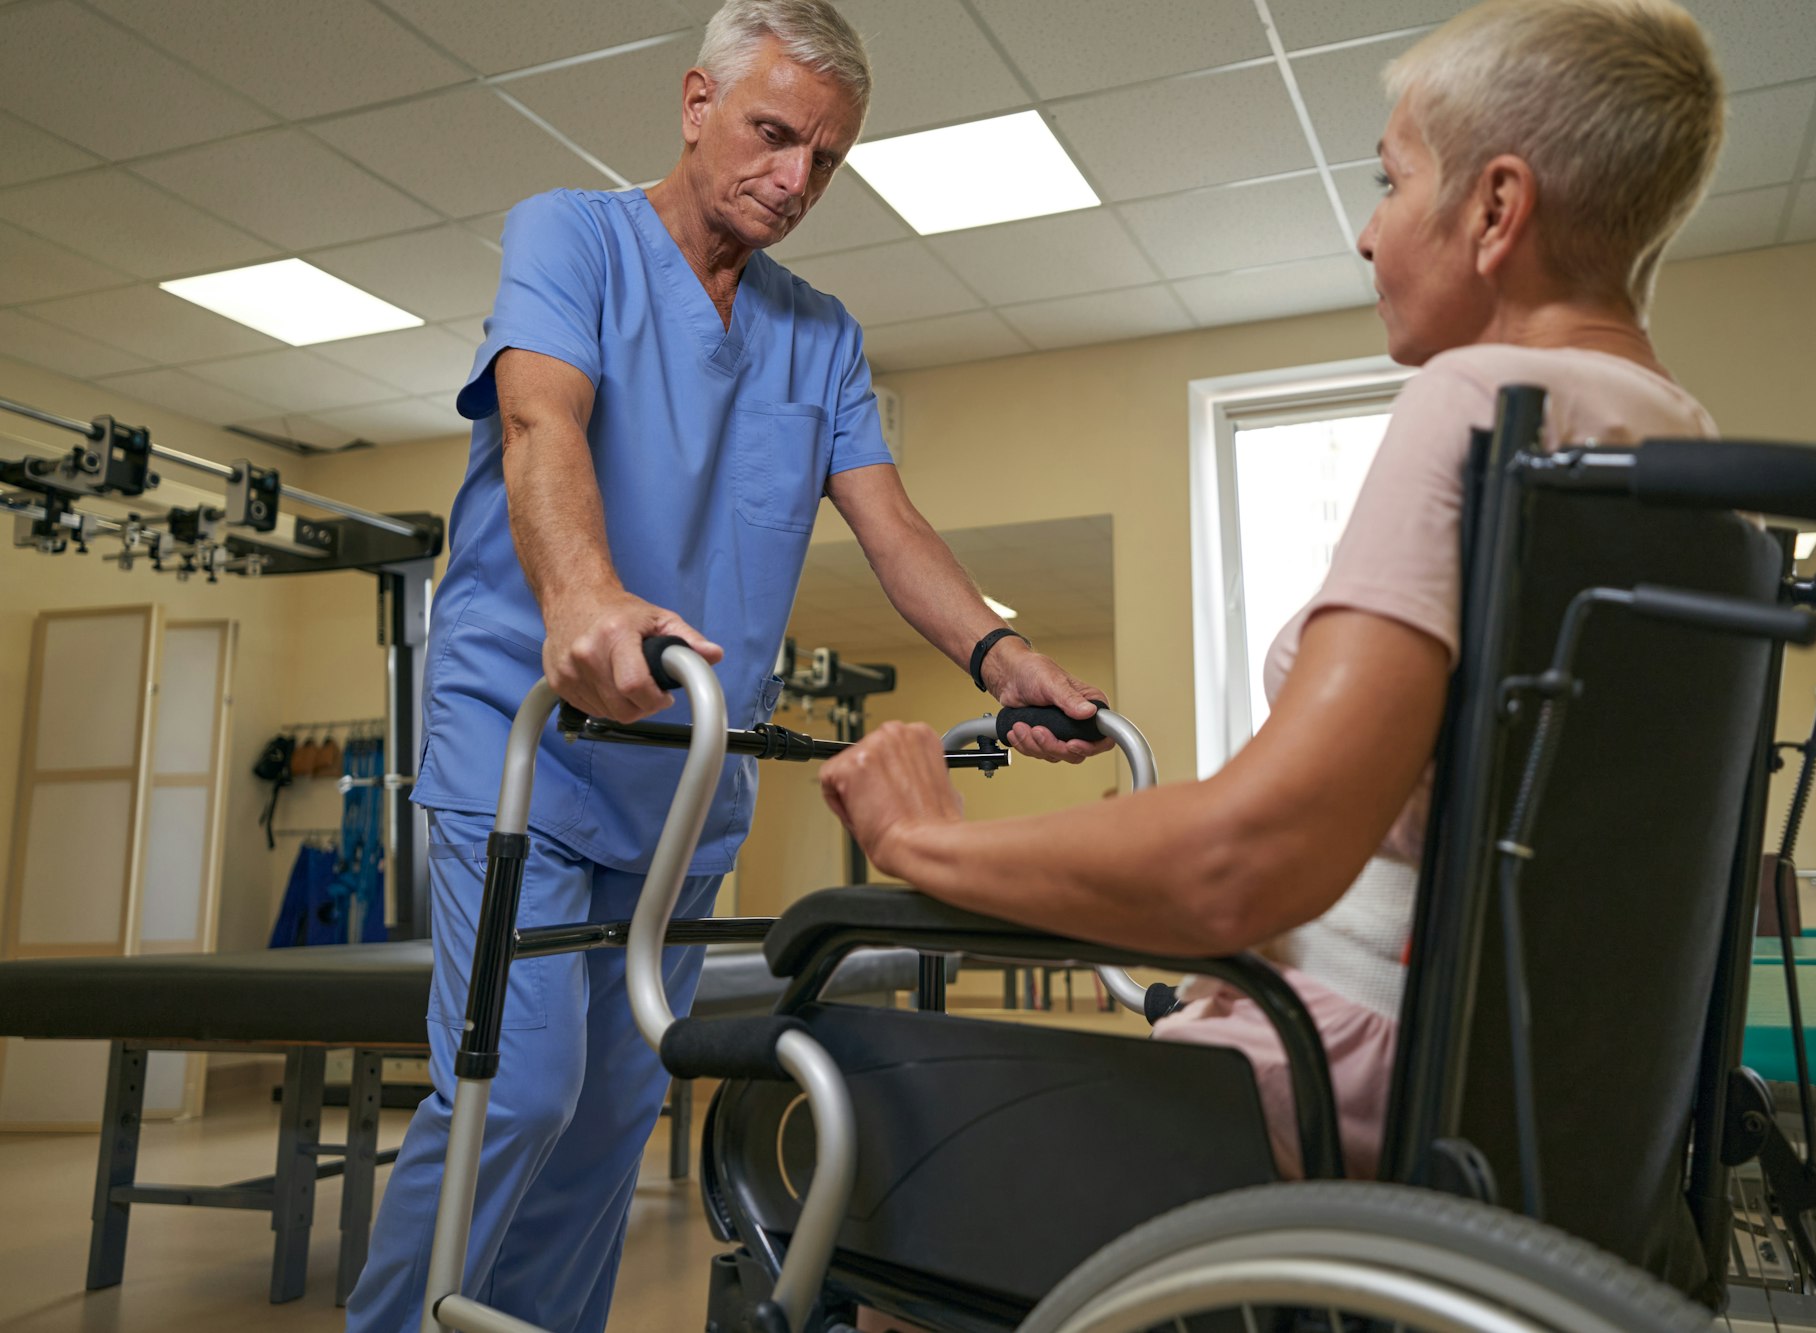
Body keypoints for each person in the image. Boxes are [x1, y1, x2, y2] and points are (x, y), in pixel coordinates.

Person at [819, 0, 1726, 1181]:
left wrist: (922, 838)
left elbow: (1246, 862)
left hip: (1342, 1079)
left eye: (1391, 181)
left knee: (865, 1147)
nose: (1366, 232)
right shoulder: (1687, 452)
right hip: (1539, 1100)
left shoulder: (1482, 406)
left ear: (1496, 209)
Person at [346, 2, 1110, 1328]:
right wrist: (584, 599)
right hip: (527, 748)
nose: (796, 178)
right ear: (697, 103)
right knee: (520, 1088)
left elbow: (889, 522)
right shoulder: (571, 237)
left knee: (614, 1114)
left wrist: (999, 656)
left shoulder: (820, 334)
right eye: (772, 133)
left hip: (683, 781)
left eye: (827, 158)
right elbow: (539, 421)